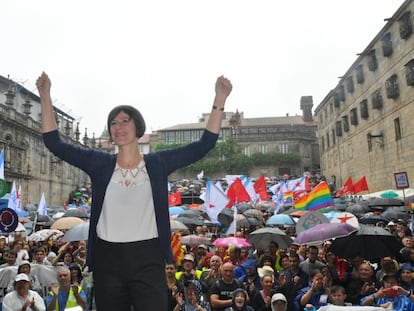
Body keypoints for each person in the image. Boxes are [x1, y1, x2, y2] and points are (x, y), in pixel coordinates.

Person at [37, 71, 232, 311]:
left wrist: (219, 99)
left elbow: (204, 145)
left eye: (125, 121)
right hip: (107, 259)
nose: (118, 126)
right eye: (113, 123)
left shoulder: (158, 163)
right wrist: (45, 96)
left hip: (148, 257)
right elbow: (54, 142)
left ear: (138, 127)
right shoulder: (98, 163)